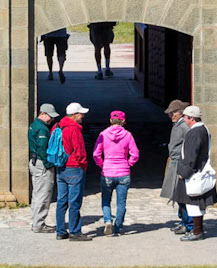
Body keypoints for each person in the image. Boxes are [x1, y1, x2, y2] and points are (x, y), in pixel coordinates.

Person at [173, 102, 217, 241]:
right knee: (196, 205)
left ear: (191, 118)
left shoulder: (195, 132)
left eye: (185, 117)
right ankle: (197, 230)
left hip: (194, 173)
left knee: (194, 204)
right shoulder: (204, 129)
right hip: (199, 170)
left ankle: (197, 232)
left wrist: (184, 172)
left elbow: (192, 155)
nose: (184, 120)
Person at [93, 108, 139, 235]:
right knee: (121, 202)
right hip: (123, 172)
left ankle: (108, 220)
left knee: (106, 199)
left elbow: (96, 154)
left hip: (107, 171)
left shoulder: (103, 134)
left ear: (110, 120)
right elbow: (135, 154)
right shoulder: (128, 135)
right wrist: (128, 163)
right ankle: (118, 227)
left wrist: (102, 165)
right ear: (123, 121)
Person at [54, 101, 90, 240]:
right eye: (81, 114)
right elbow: (80, 151)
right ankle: (75, 232)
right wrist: (84, 165)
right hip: (74, 167)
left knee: (61, 201)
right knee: (74, 202)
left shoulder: (58, 126)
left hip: (60, 167)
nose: (83, 116)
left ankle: (61, 231)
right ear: (74, 115)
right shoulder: (74, 129)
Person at [160, 99, 193, 236]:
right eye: (170, 113)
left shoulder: (184, 127)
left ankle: (188, 224)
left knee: (182, 195)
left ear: (180, 113)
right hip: (174, 161)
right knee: (177, 194)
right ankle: (183, 221)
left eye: (173, 113)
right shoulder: (178, 125)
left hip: (180, 161)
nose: (171, 115)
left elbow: (190, 145)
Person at [27, 102, 59, 232]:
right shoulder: (42, 129)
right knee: (43, 195)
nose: (52, 119)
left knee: (37, 193)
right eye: (50, 116)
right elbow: (42, 148)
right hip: (41, 164)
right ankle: (39, 224)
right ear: (43, 114)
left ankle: (36, 221)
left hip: (35, 162)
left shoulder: (34, 125)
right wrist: (49, 164)